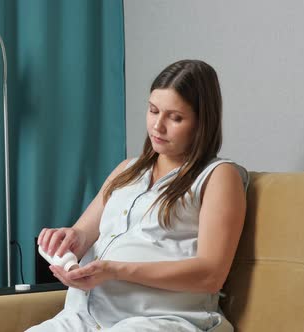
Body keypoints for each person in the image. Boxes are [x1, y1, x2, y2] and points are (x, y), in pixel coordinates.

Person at [27, 59, 248, 332]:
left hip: (161, 320)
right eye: (153, 111)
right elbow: (82, 235)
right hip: (82, 318)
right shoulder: (127, 170)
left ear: (202, 123)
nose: (158, 126)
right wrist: (67, 240)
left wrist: (114, 270)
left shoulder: (218, 176)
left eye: (175, 117)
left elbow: (210, 275)